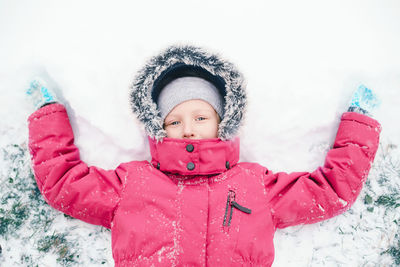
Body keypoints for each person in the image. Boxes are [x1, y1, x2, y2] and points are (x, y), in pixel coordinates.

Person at [26, 45, 381, 266]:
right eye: (175, 120)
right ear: (158, 126)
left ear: (221, 120)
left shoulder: (253, 185)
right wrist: (47, 114)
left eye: (200, 117)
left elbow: (329, 191)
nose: (189, 128)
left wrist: (359, 124)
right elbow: (64, 184)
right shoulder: (133, 184)